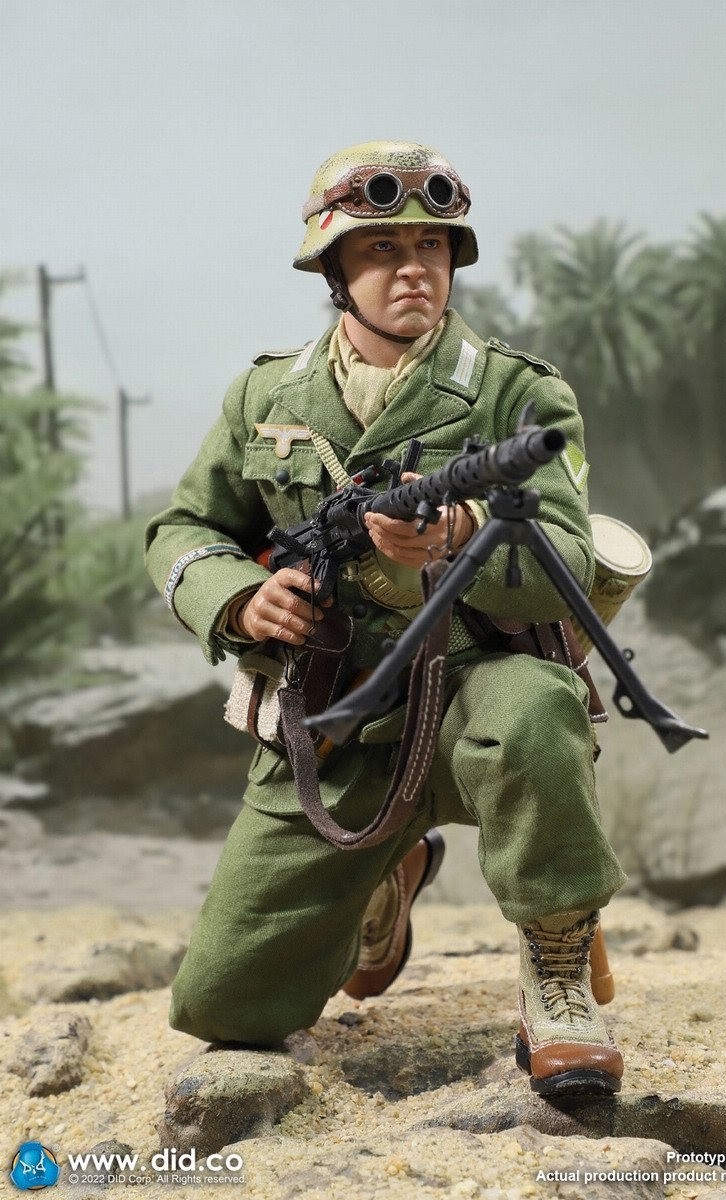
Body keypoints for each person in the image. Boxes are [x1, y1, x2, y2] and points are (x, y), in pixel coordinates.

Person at [145, 141, 628, 1098]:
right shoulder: (266, 396)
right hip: (337, 722)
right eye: (382, 249)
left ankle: (559, 965)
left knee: (537, 710)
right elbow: (183, 529)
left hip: (479, 686)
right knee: (224, 1008)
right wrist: (240, 598)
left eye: (432, 247)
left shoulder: (518, 391)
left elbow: (572, 559)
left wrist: (463, 537)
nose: (414, 269)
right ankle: (386, 876)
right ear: (333, 270)